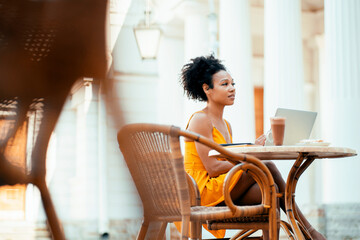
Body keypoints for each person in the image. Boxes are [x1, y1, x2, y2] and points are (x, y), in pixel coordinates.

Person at [180, 55, 326, 240]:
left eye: (233, 83)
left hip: (224, 186)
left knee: (270, 191)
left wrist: (249, 150)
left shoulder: (225, 124)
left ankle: (297, 231)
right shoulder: (200, 119)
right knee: (268, 167)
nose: (232, 88)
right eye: (225, 84)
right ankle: (308, 230)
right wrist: (250, 159)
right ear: (206, 88)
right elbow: (213, 167)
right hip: (203, 192)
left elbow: (226, 159)